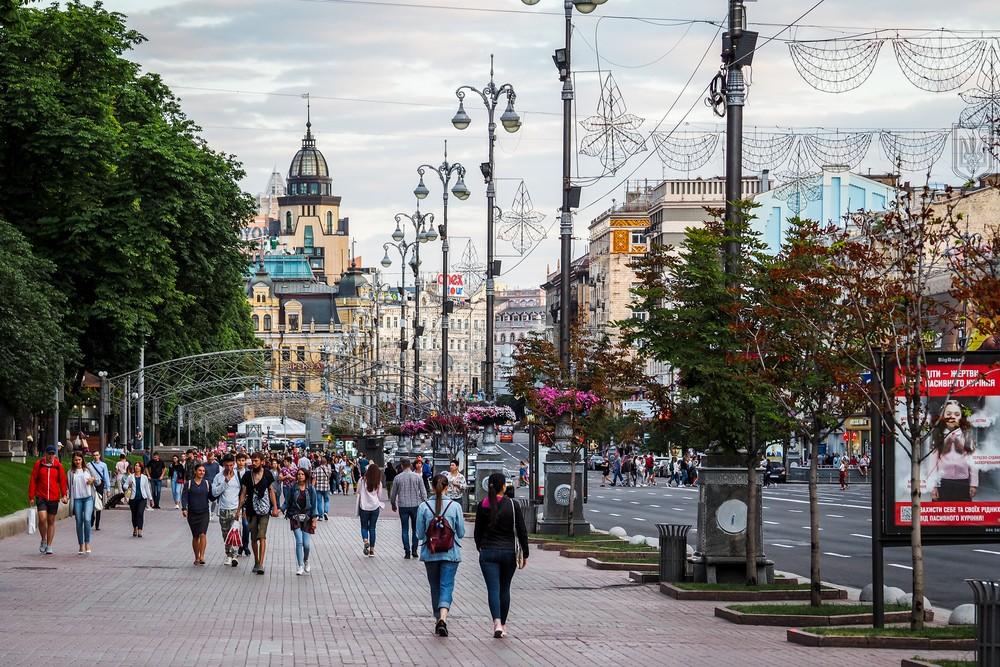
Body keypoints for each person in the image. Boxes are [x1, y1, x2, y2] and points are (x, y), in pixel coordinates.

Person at [474, 472, 529, 639]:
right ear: (504, 486)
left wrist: (480, 547)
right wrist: (525, 553)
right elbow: (521, 531)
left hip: (488, 552)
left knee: (493, 589)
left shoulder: (483, 505)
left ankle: (496, 622)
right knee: (505, 588)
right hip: (508, 554)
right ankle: (503, 625)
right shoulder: (513, 505)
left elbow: (477, 531)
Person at [416, 473, 466, 637]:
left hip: (430, 553)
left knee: (435, 586)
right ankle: (443, 617)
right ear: (447, 487)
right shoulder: (455, 506)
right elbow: (461, 532)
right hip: (451, 553)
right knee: (446, 585)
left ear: (432, 487)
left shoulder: (423, 507)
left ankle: (438, 619)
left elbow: (419, 535)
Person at [236, 452, 281, 575]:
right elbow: (243, 493)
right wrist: (238, 510)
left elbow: (271, 491)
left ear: (262, 461)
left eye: (256, 461)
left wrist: (275, 507)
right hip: (251, 509)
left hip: (265, 510)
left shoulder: (267, 474)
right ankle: (256, 561)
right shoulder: (246, 475)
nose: (254, 463)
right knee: (254, 538)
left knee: (262, 536)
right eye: (252, 460)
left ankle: (261, 563)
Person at [928, 400, 978, 501]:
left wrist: (973, 484)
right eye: (948, 414)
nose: (952, 417)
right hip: (942, 481)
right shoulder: (938, 435)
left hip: (963, 481)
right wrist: (932, 486)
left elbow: (973, 462)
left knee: (962, 511)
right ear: (943, 416)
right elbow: (932, 464)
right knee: (941, 511)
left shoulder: (967, 436)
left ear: (961, 417)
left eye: (956, 414)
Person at [29, 445, 67, 555]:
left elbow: (62, 482)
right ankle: (43, 540)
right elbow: (33, 480)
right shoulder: (39, 464)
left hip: (54, 497)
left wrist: (64, 495)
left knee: (51, 521)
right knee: (42, 518)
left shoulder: (58, 466)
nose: (50, 456)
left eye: (52, 454)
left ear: (55, 455)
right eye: (49, 454)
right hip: (41, 496)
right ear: (45, 454)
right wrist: (31, 496)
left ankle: (49, 545)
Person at [283, 468, 319, 575]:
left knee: (306, 544)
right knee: (299, 541)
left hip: (307, 517)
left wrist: (314, 519)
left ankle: (306, 560)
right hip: (295, 516)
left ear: (306, 476)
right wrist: (280, 509)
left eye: (302, 474)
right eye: (298, 474)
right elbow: (287, 501)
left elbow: (314, 505)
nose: (300, 476)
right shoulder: (293, 488)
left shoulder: (311, 489)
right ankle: (300, 566)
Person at [390, 458, 427, 559]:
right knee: (415, 529)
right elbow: (423, 492)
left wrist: (393, 504)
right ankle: (414, 550)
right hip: (416, 505)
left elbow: (393, 494)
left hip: (403, 506)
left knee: (404, 529)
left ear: (402, 466)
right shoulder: (418, 477)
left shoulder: (397, 478)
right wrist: (425, 503)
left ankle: (407, 551)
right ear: (410, 466)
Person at [212, 454, 243, 567]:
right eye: (227, 465)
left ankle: (234, 555)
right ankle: (228, 554)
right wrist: (225, 482)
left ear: (234, 464)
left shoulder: (238, 476)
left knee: (235, 532)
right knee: (225, 533)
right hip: (223, 509)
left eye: (231, 465)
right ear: (223, 465)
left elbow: (242, 494)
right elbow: (214, 492)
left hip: (235, 509)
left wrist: (240, 509)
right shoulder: (218, 477)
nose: (229, 467)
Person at [181, 463, 211, 565]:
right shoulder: (188, 484)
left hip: (204, 513)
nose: (202, 472)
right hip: (192, 513)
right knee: (195, 536)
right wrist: (184, 508)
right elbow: (184, 497)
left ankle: (202, 556)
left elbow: (212, 496)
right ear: (195, 471)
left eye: (203, 471)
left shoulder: (207, 483)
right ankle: (196, 557)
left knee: (202, 534)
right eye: (200, 470)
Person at [67, 452, 96, 555]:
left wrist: (93, 480)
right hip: (77, 499)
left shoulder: (87, 469)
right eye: (76, 460)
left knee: (87, 519)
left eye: (79, 459)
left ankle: (87, 543)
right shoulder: (71, 472)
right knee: (79, 521)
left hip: (88, 498)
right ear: (73, 461)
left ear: (82, 460)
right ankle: (81, 545)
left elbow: (98, 481)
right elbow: (68, 487)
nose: (78, 462)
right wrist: (66, 496)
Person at [358, 463, 385, 557]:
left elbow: (358, 492)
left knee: (364, 527)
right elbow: (380, 496)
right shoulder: (378, 483)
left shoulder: (362, 480)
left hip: (364, 507)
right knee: (372, 528)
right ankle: (372, 551)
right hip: (375, 507)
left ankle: (365, 541)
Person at [122, 461, 153, 537]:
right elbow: (124, 486)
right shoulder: (130, 477)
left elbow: (147, 488)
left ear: (141, 468)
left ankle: (140, 530)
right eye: (135, 465)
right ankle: (135, 528)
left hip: (142, 498)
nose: (136, 467)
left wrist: (151, 499)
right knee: (134, 514)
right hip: (133, 498)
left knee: (140, 513)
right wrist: (128, 486)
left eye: (138, 466)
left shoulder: (144, 477)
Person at [88, 451, 111, 531]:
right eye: (94, 455)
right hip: (91, 484)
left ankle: (97, 524)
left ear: (99, 456)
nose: (95, 457)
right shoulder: (89, 465)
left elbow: (106, 477)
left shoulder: (103, 465)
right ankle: (91, 519)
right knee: (90, 502)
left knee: (99, 503)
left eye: (97, 455)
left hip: (100, 485)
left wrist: (108, 489)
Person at [234, 452, 252, 557]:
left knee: (246, 525)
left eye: (242, 460)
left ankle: (245, 545)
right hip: (235, 501)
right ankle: (240, 545)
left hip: (245, 502)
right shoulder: (233, 472)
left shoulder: (249, 473)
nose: (241, 462)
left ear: (245, 461)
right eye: (239, 460)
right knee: (237, 525)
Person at [312, 455, 332, 521]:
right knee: (326, 500)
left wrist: (312, 487)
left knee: (319, 501)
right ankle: (326, 512)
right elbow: (329, 477)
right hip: (326, 487)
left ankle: (320, 516)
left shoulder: (316, 469)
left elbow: (314, 479)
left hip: (318, 488)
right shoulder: (328, 469)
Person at [203, 452, 221, 519]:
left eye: (212, 459)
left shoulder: (216, 465)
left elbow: (218, 475)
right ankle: (209, 514)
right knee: (207, 500)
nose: (211, 460)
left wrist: (218, 484)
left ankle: (212, 512)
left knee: (214, 501)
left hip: (214, 485)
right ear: (207, 458)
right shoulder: (204, 465)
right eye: (209, 459)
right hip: (206, 484)